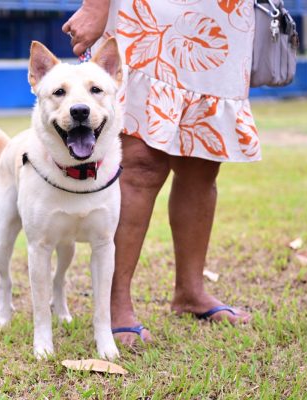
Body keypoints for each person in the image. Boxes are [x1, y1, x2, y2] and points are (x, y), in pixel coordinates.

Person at [63, 0, 258, 345]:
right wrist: (95, 5)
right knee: (140, 162)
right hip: (150, 13)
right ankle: (114, 304)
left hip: (221, 15)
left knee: (202, 160)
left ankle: (191, 292)